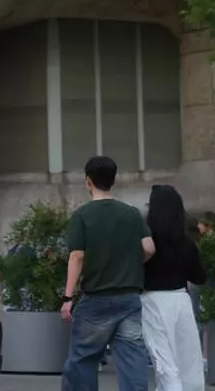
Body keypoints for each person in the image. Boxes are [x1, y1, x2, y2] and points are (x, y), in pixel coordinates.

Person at [60, 156, 155, 391]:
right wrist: (131, 263)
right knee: (132, 359)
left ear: (88, 181)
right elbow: (149, 248)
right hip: (129, 298)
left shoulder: (82, 215)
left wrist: (68, 297)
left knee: (83, 359)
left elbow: (77, 256)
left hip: (96, 298)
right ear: (113, 180)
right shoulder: (131, 213)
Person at [142, 185, 206, 391]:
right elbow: (200, 277)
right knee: (187, 360)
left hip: (152, 300)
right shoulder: (187, 244)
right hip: (181, 300)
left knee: (164, 361)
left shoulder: (148, 244)